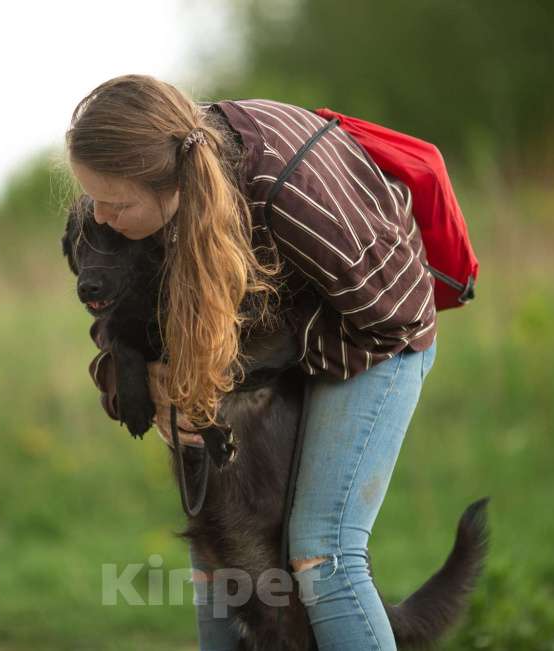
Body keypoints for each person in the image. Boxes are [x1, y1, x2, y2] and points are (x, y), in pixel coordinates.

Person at [67, 74, 438, 651]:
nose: (99, 216)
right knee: (221, 556)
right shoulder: (123, 210)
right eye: (90, 197)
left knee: (322, 553)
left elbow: (397, 311)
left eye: (115, 203)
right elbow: (116, 319)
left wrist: (238, 371)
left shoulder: (288, 190)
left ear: (170, 188)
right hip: (259, 359)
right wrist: (151, 384)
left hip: (377, 338)